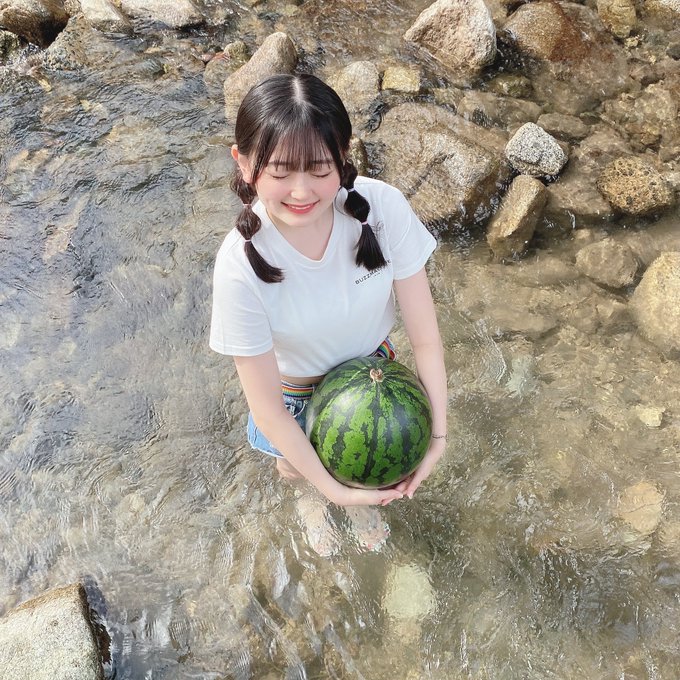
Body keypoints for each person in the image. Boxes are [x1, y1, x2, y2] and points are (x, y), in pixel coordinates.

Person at [209, 73, 447, 539]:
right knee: (295, 469)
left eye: (320, 170)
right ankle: (309, 496)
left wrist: (436, 436)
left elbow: (425, 340)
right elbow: (269, 412)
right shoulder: (238, 266)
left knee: (364, 475)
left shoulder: (382, 208)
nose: (302, 192)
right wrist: (329, 490)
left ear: (343, 156)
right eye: (280, 173)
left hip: (374, 374)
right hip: (292, 399)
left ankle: (358, 498)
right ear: (244, 163)